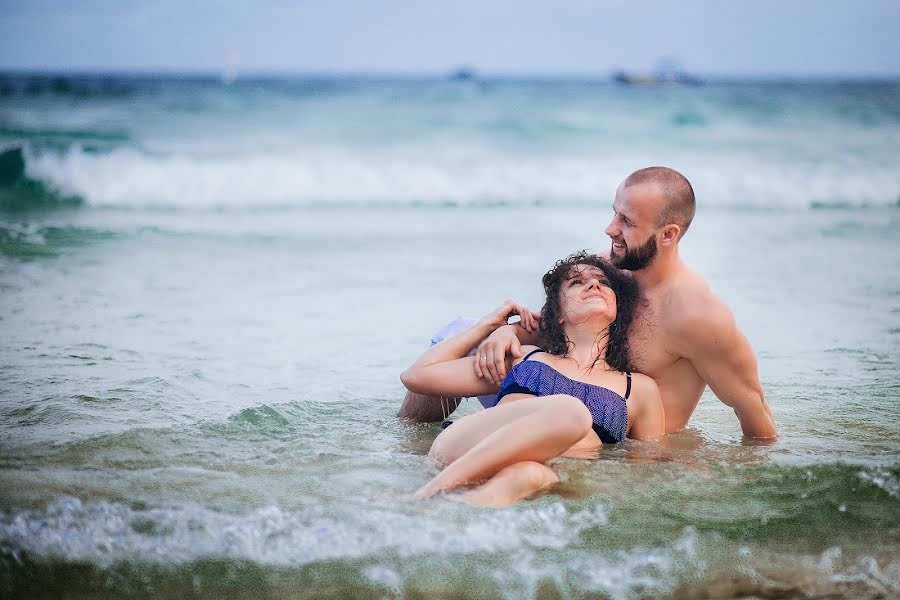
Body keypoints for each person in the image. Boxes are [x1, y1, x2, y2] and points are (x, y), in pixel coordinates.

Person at [399, 166, 777, 439]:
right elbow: (557, 327)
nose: (610, 228)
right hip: (552, 395)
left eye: (627, 221)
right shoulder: (612, 267)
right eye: (614, 212)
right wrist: (504, 333)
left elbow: (753, 407)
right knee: (461, 333)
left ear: (668, 235)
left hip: (615, 430)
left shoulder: (698, 316)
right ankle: (410, 441)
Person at [401, 253, 664, 506]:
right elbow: (417, 376)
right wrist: (488, 326)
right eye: (576, 282)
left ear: (617, 307)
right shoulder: (524, 356)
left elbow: (643, 471)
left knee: (530, 475)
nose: (594, 283)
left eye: (603, 282)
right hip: (468, 447)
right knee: (571, 412)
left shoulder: (640, 389)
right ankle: (426, 495)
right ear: (558, 313)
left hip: (550, 475)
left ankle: (441, 513)